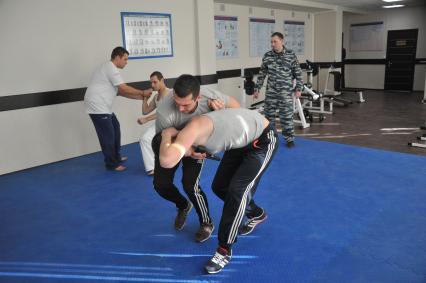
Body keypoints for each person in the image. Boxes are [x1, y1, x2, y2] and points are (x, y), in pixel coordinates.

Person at [159, 108, 278, 274]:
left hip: (262, 141)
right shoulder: (195, 132)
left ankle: (224, 249)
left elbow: (166, 160)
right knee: (219, 187)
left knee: (237, 191)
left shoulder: (202, 132)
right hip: (239, 143)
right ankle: (256, 213)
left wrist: (166, 135)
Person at [151, 74, 240, 243]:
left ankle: (206, 222)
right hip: (170, 142)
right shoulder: (165, 111)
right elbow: (162, 142)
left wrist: (222, 114)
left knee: (190, 185)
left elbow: (236, 107)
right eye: (177, 103)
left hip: (197, 143)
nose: (180, 109)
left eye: (185, 105)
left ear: (198, 97)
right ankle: (183, 205)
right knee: (161, 185)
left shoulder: (209, 97)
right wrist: (187, 149)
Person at [84, 47, 152, 171]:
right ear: (117, 57)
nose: (126, 62)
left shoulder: (109, 69)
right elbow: (124, 88)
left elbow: (121, 92)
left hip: (103, 106)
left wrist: (141, 97)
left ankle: (116, 157)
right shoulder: (110, 67)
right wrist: (142, 92)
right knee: (108, 135)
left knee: (115, 128)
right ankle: (111, 164)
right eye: (125, 59)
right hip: (97, 106)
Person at [254, 32, 303, 148]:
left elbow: (298, 73)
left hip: (285, 93)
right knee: (268, 117)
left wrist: (299, 89)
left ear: (282, 41)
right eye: (271, 42)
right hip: (271, 92)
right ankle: (270, 139)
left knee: (286, 117)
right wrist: (257, 88)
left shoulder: (291, 55)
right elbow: (262, 74)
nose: (272, 44)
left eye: (275, 41)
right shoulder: (267, 56)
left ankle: (289, 139)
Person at [137, 71, 169, 176]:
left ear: (162, 80)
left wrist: (146, 119)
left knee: (155, 140)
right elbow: (145, 111)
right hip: (160, 124)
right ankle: (152, 168)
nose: (152, 85)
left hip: (171, 124)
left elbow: (164, 113)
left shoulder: (170, 94)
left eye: (155, 82)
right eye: (151, 83)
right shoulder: (156, 97)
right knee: (145, 139)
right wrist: (145, 97)